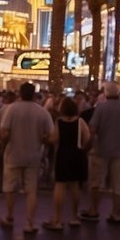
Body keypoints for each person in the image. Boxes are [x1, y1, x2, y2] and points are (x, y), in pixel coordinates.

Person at [0, 82, 54, 234]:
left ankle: (9, 216)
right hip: (34, 155)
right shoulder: (42, 112)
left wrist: (3, 145)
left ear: (20, 93)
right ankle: (30, 223)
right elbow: (51, 136)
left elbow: (4, 132)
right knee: (31, 190)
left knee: (10, 188)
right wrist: (42, 140)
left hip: (13, 154)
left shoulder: (11, 109)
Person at [84, 82, 120, 224]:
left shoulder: (101, 108)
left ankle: (94, 210)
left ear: (105, 93)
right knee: (118, 183)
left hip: (101, 150)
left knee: (97, 182)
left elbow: (93, 129)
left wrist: (87, 145)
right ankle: (116, 212)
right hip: (119, 150)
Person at [45, 96, 90, 231]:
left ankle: (58, 219)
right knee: (75, 185)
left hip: (63, 154)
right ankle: (74, 217)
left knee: (60, 186)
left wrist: (46, 138)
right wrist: (82, 147)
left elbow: (54, 139)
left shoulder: (59, 122)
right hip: (77, 153)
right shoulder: (80, 121)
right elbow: (87, 137)